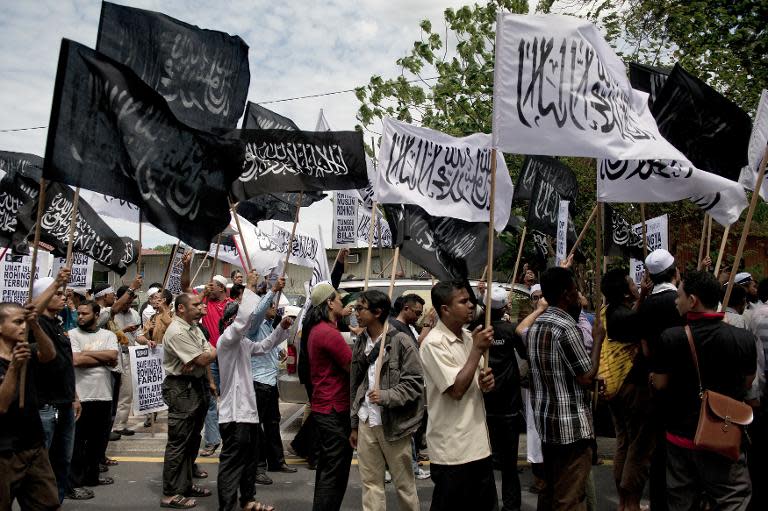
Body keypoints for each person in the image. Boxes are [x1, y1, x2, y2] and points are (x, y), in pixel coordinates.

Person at [650, 270, 756, 510]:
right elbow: (748, 382)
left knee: (683, 502)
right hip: (725, 435)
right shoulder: (742, 338)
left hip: (680, 439)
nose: (677, 301)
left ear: (693, 300)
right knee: (732, 500)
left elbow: (660, 383)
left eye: (679, 296)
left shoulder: (671, 338)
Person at [526, 267, 604, 510]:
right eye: (574, 289)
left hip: (548, 425)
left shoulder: (537, 324)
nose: (577, 294)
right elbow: (585, 375)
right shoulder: (566, 327)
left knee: (550, 491)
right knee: (569, 496)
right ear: (565, 294)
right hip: (570, 427)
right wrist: (598, 340)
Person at [216, 272, 293, 511]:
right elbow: (243, 322)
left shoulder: (243, 344)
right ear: (231, 322)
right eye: (242, 321)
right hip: (234, 414)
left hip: (247, 413)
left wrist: (281, 327)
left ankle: (247, 500)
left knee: (250, 460)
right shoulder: (227, 340)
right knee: (232, 463)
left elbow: (265, 346)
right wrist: (251, 286)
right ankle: (227, 506)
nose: (248, 325)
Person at [420, 280, 497, 511]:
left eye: (470, 300)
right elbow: (456, 390)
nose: (471, 305)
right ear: (445, 309)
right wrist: (476, 349)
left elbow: (475, 382)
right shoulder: (433, 344)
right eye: (463, 301)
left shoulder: (467, 337)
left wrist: (486, 382)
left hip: (478, 445)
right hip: (453, 451)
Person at [350, 290, 424, 511]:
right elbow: (354, 385)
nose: (356, 313)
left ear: (377, 312)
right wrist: (354, 424)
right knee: (371, 485)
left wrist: (386, 396)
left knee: (404, 486)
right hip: (366, 421)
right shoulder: (361, 341)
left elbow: (415, 384)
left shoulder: (401, 342)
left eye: (360, 308)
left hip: (394, 424)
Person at [29, 270, 92, 502]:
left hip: (65, 403)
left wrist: (74, 396)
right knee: (41, 464)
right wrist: (56, 281)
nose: (63, 296)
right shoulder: (33, 326)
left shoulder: (57, 324)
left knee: (62, 461)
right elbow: (32, 311)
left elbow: (66, 366)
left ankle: (56, 502)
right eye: (56, 294)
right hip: (46, 405)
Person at [601, 269, 653, 511]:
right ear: (624, 291)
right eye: (632, 282)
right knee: (638, 446)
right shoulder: (629, 319)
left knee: (623, 441)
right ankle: (631, 502)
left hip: (612, 386)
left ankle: (623, 502)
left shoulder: (607, 312)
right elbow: (643, 341)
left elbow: (629, 315)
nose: (635, 283)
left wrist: (641, 296)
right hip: (631, 386)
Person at [637, 249, 685, 511]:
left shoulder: (646, 305)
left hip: (654, 383)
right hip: (683, 385)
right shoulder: (681, 301)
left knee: (658, 447)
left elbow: (645, 349)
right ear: (675, 272)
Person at [0, 299, 59, 510]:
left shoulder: (27, 350)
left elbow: (49, 354)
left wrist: (35, 324)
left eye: (24, 321)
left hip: (34, 446)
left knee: (47, 504)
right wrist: (14, 368)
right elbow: (1, 405)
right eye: (17, 322)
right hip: (5, 452)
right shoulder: (14, 360)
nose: (22, 327)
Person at [160, 293, 217, 509]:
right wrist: (214, 351)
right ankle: (170, 493)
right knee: (178, 441)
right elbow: (205, 356)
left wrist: (203, 357)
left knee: (193, 439)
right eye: (195, 304)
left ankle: (184, 484)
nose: (200, 306)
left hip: (197, 385)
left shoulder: (193, 328)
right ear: (181, 308)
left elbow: (205, 354)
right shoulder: (176, 331)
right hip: (181, 388)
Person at [304, 282, 353, 511]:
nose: (343, 302)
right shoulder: (327, 332)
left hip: (325, 406)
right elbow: (352, 366)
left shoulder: (319, 329)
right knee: (335, 471)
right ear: (329, 303)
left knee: (327, 468)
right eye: (339, 299)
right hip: (333, 407)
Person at [68, 300, 119, 489]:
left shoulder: (108, 335)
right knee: (78, 442)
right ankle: (76, 482)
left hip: (103, 395)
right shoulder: (72, 335)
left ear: (96, 315)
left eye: (85, 314)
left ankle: (92, 477)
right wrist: (102, 358)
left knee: (97, 442)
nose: (80, 317)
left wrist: (89, 357)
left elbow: (113, 356)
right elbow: (76, 360)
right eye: (79, 313)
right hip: (81, 396)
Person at [485, 286, 527, 511]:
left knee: (487, 460)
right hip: (508, 404)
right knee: (509, 464)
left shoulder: (478, 330)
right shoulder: (512, 331)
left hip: (485, 403)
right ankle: (511, 507)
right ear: (504, 307)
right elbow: (525, 355)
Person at [250, 298, 297, 486]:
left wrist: (279, 351)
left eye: (275, 305)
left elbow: (271, 343)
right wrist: (273, 287)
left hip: (269, 380)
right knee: (256, 426)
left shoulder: (269, 325)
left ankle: (276, 461)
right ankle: (258, 467)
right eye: (270, 305)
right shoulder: (254, 325)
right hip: (258, 380)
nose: (274, 308)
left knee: (272, 422)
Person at [515, 284, 547, 495]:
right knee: (534, 433)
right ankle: (540, 478)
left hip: (552, 391)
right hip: (534, 387)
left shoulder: (549, 321)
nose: (537, 300)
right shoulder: (530, 319)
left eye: (541, 297)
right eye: (534, 297)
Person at [112, 284, 142, 437]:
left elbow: (139, 336)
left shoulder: (135, 314)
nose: (128, 306)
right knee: (112, 393)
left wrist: (148, 341)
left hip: (128, 354)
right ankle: (108, 427)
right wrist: (123, 330)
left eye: (130, 303)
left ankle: (120, 425)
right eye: (126, 302)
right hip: (112, 357)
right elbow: (107, 334)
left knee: (127, 392)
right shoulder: (110, 314)